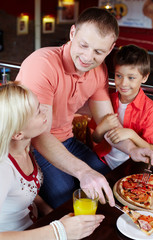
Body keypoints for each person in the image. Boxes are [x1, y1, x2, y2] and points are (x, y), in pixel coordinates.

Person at [16, 7, 153, 209]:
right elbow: (39, 134)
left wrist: (132, 149)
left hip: (68, 140)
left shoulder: (99, 70)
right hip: (34, 146)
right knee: (67, 200)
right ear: (72, 33)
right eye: (83, 45)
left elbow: (106, 122)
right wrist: (83, 172)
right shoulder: (42, 64)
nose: (88, 57)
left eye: (99, 51)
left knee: (109, 184)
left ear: (110, 49)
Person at [0, 83, 105, 240]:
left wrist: (46, 209)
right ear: (17, 134)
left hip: (36, 224)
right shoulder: (3, 168)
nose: (44, 111)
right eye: (37, 112)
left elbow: (21, 191)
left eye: (39, 105)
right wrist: (57, 231)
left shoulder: (24, 146)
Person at [91, 44, 153, 170]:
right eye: (119, 76)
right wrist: (101, 128)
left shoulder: (152, 111)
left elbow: (151, 149)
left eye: (131, 78)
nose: (123, 83)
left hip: (131, 166)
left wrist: (131, 134)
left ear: (144, 77)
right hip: (102, 160)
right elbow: (94, 137)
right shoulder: (106, 101)